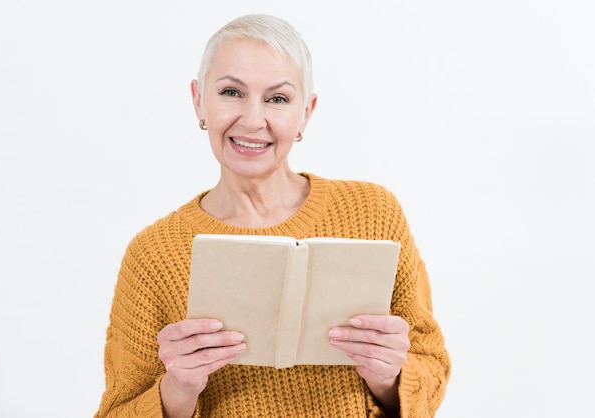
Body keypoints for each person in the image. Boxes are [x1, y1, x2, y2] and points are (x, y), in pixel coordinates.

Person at [95, 13, 450, 418]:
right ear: (198, 100)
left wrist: (388, 378)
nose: (252, 120)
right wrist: (177, 389)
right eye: (231, 92)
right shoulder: (155, 253)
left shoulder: (374, 213)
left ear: (306, 112)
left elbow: (431, 363)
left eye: (277, 98)